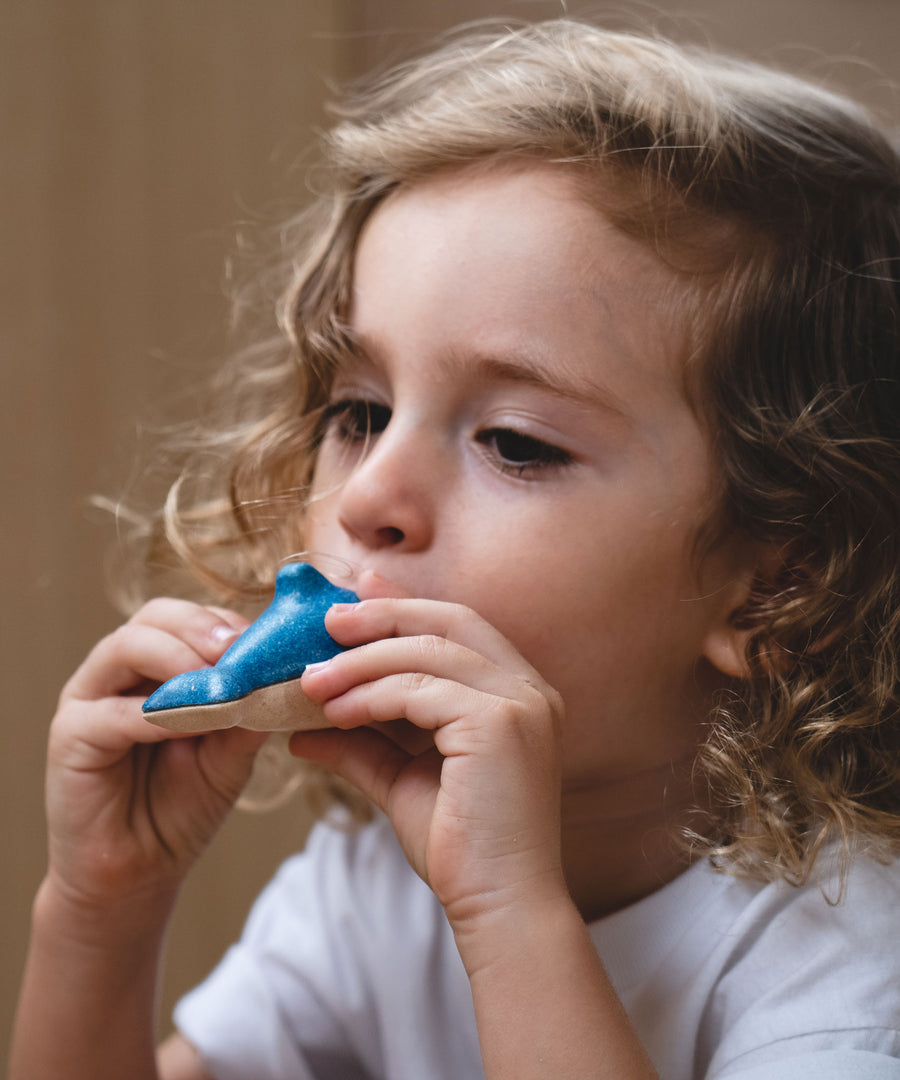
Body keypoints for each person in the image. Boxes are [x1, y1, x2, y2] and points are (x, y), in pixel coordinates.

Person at [10, 17, 900, 1080]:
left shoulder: (851, 985)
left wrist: (510, 915)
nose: (370, 493)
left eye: (516, 442)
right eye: (358, 410)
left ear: (779, 590)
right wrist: (100, 912)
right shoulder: (369, 886)